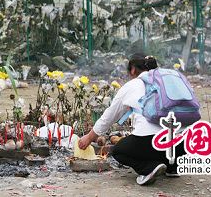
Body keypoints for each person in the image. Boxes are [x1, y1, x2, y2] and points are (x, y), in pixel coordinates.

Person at [78, 53, 185, 185]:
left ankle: (148, 169)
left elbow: (109, 116)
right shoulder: (168, 81)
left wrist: (88, 138)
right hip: (182, 141)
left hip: (152, 141)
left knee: (118, 151)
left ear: (133, 69)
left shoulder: (133, 85)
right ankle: (172, 166)